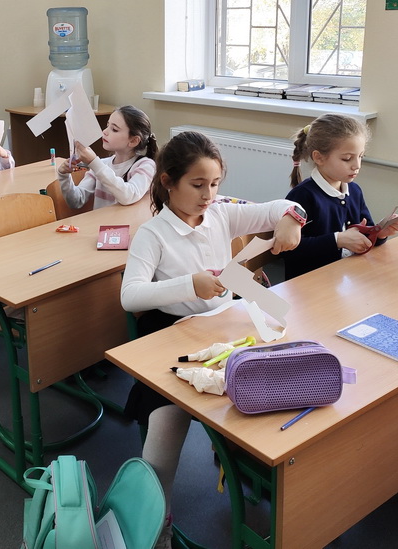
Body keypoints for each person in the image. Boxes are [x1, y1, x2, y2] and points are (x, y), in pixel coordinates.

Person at [119, 130, 305, 549]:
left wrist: (291, 219)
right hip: (171, 334)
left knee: (272, 382)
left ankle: (260, 473)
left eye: (216, 184)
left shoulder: (220, 213)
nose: (209, 195)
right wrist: (190, 284)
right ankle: (156, 522)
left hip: (224, 325)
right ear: (168, 182)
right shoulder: (153, 234)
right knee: (167, 422)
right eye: (198, 185)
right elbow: (130, 296)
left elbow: (282, 206)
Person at [283, 113, 398, 280]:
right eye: (347, 159)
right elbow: (289, 250)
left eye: (360, 156)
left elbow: (364, 238)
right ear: (319, 157)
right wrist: (337, 240)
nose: (357, 165)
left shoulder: (355, 191)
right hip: (311, 283)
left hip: (347, 277)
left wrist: (380, 233)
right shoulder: (302, 196)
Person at [56, 105, 157, 209]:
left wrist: (94, 162)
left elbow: (128, 196)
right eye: (107, 125)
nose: (104, 131)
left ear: (133, 141)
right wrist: (64, 176)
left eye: (114, 129)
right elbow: (76, 201)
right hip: (101, 220)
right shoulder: (101, 165)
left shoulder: (145, 166)